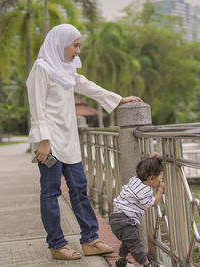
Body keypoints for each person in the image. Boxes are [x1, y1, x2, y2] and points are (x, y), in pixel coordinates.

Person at [26, 23, 142, 260]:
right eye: (75, 45)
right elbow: (36, 107)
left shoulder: (65, 70)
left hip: (68, 140)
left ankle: (90, 239)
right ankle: (57, 244)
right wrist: (43, 141)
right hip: (50, 142)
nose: (78, 50)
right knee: (50, 192)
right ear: (61, 44)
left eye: (79, 46)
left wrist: (119, 99)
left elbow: (87, 86)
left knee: (79, 188)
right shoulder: (42, 68)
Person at [109, 157, 165, 267]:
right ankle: (147, 264)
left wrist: (153, 158)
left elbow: (145, 168)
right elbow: (152, 203)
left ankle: (121, 261)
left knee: (128, 241)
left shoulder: (135, 180)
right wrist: (160, 190)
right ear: (152, 179)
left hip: (117, 217)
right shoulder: (145, 190)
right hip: (125, 220)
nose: (161, 181)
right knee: (135, 246)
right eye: (161, 178)